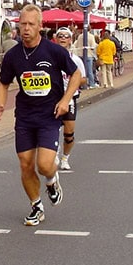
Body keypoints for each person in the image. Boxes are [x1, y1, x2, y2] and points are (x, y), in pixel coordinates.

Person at [0, 4, 82, 226]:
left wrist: (65, 100)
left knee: (44, 165)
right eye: (22, 24)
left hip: (49, 116)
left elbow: (76, 74)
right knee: (25, 164)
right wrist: (0, 104)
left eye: (31, 24)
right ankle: (36, 206)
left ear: (40, 26)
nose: (25, 29)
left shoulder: (53, 51)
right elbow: (3, 83)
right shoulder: (13, 55)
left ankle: (52, 181)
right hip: (24, 117)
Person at [54, 27, 87, 170]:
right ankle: (53, 154)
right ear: (56, 39)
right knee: (51, 130)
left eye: (66, 36)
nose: (62, 38)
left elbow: (84, 79)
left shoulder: (76, 60)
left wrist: (73, 83)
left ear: (70, 40)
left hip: (70, 99)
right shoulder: (50, 57)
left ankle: (65, 158)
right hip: (52, 99)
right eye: (60, 36)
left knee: (69, 134)